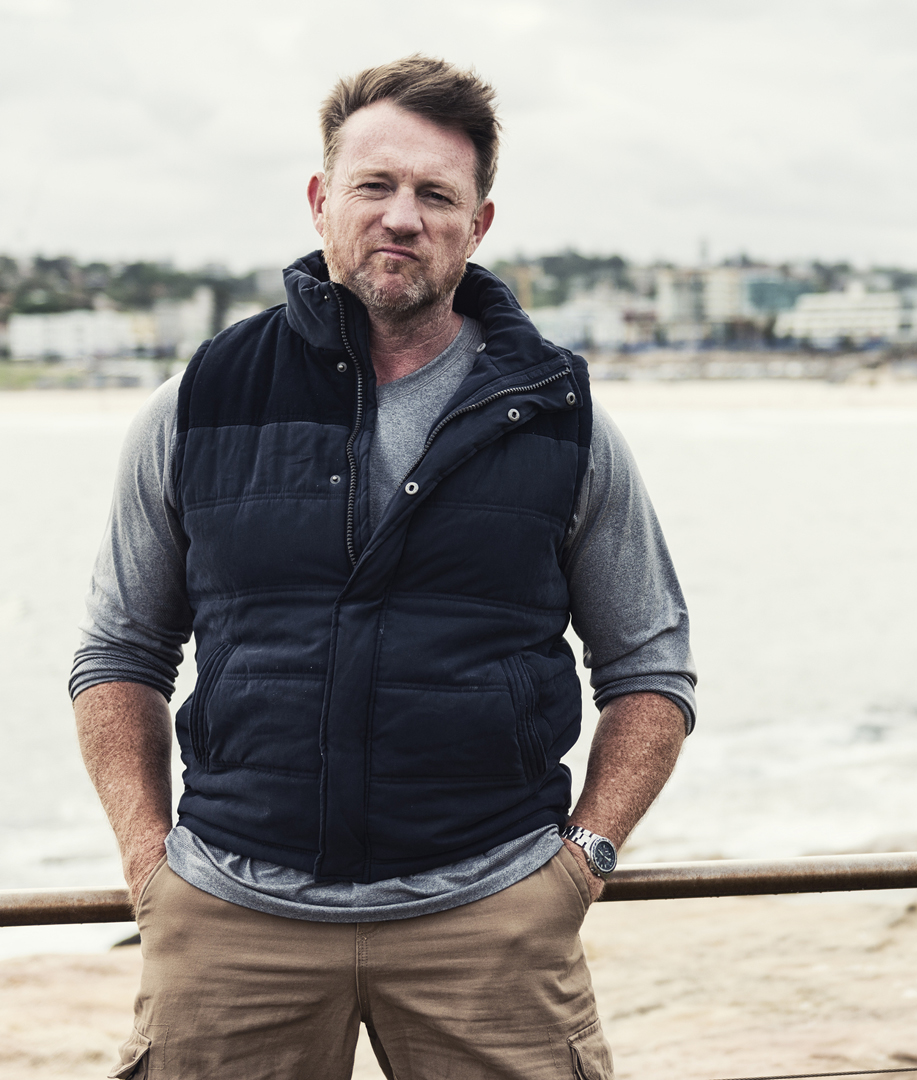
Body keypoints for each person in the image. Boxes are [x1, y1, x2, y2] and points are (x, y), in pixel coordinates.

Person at [70, 55, 695, 1080]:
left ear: (478, 223)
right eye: (375, 185)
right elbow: (119, 651)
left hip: (490, 924)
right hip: (233, 923)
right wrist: (150, 870)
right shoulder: (202, 402)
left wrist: (581, 865)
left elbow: (652, 670)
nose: (402, 216)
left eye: (435, 194)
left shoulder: (562, 422)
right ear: (322, 202)